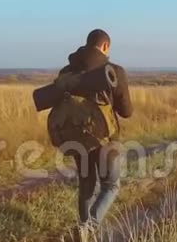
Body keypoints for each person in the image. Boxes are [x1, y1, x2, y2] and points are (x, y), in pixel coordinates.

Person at [54, 29, 133, 226]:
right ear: (105, 46)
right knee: (111, 186)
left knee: (86, 185)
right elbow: (126, 111)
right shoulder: (114, 71)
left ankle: (83, 226)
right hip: (106, 139)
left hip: (77, 137)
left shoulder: (67, 72)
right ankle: (89, 227)